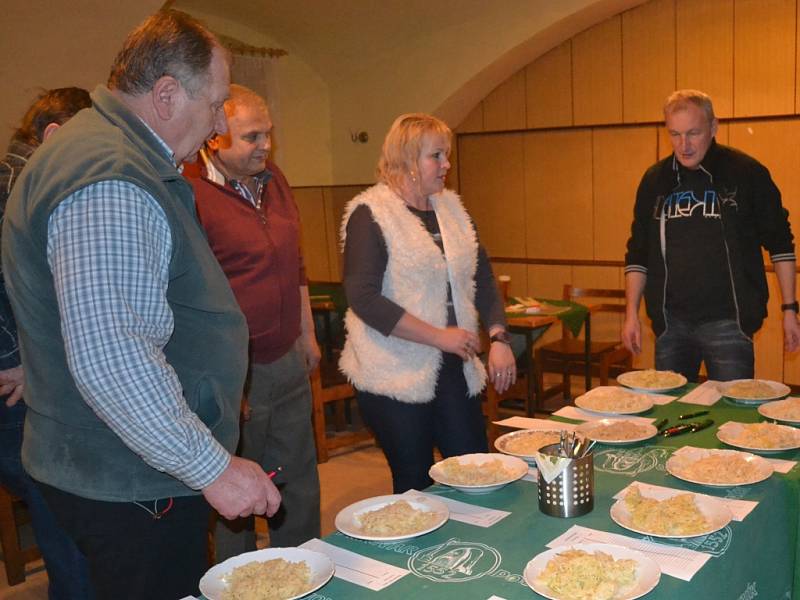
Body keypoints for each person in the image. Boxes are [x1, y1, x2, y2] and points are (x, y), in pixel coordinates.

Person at [2, 10, 280, 600]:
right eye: (215, 105)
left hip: (112, 465)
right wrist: (213, 468)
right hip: (131, 480)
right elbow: (111, 354)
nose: (216, 128)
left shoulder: (100, 150)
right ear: (166, 94)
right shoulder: (112, 175)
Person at [340, 113, 516, 493]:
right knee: (414, 482)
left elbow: (481, 275)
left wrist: (500, 336)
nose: (446, 165)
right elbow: (363, 298)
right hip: (394, 372)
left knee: (474, 470)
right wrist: (438, 336)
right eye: (436, 156)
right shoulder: (371, 214)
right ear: (407, 160)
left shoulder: (450, 207)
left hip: (453, 363)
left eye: (446, 155)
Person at [186, 84, 321, 559]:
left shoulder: (274, 180)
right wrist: (227, 379)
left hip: (286, 356)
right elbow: (191, 297)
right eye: (251, 136)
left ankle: (304, 569)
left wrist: (305, 331)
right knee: (238, 493)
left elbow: (296, 261)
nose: (265, 145)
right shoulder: (191, 192)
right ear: (214, 139)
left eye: (269, 134)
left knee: (298, 478)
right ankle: (239, 581)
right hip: (234, 372)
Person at [623, 89, 800, 382]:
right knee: (670, 415)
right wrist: (631, 314)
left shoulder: (746, 173)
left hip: (729, 324)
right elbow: (638, 253)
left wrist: (790, 310)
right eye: (675, 134)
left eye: (693, 133)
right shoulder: (655, 180)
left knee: (731, 415)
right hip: (671, 325)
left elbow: (781, 243)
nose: (684, 145)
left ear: (714, 127)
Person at [0, 87, 93, 600]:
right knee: (66, 518)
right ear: (53, 135)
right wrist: (16, 362)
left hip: (25, 375)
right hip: (18, 388)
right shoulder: (19, 183)